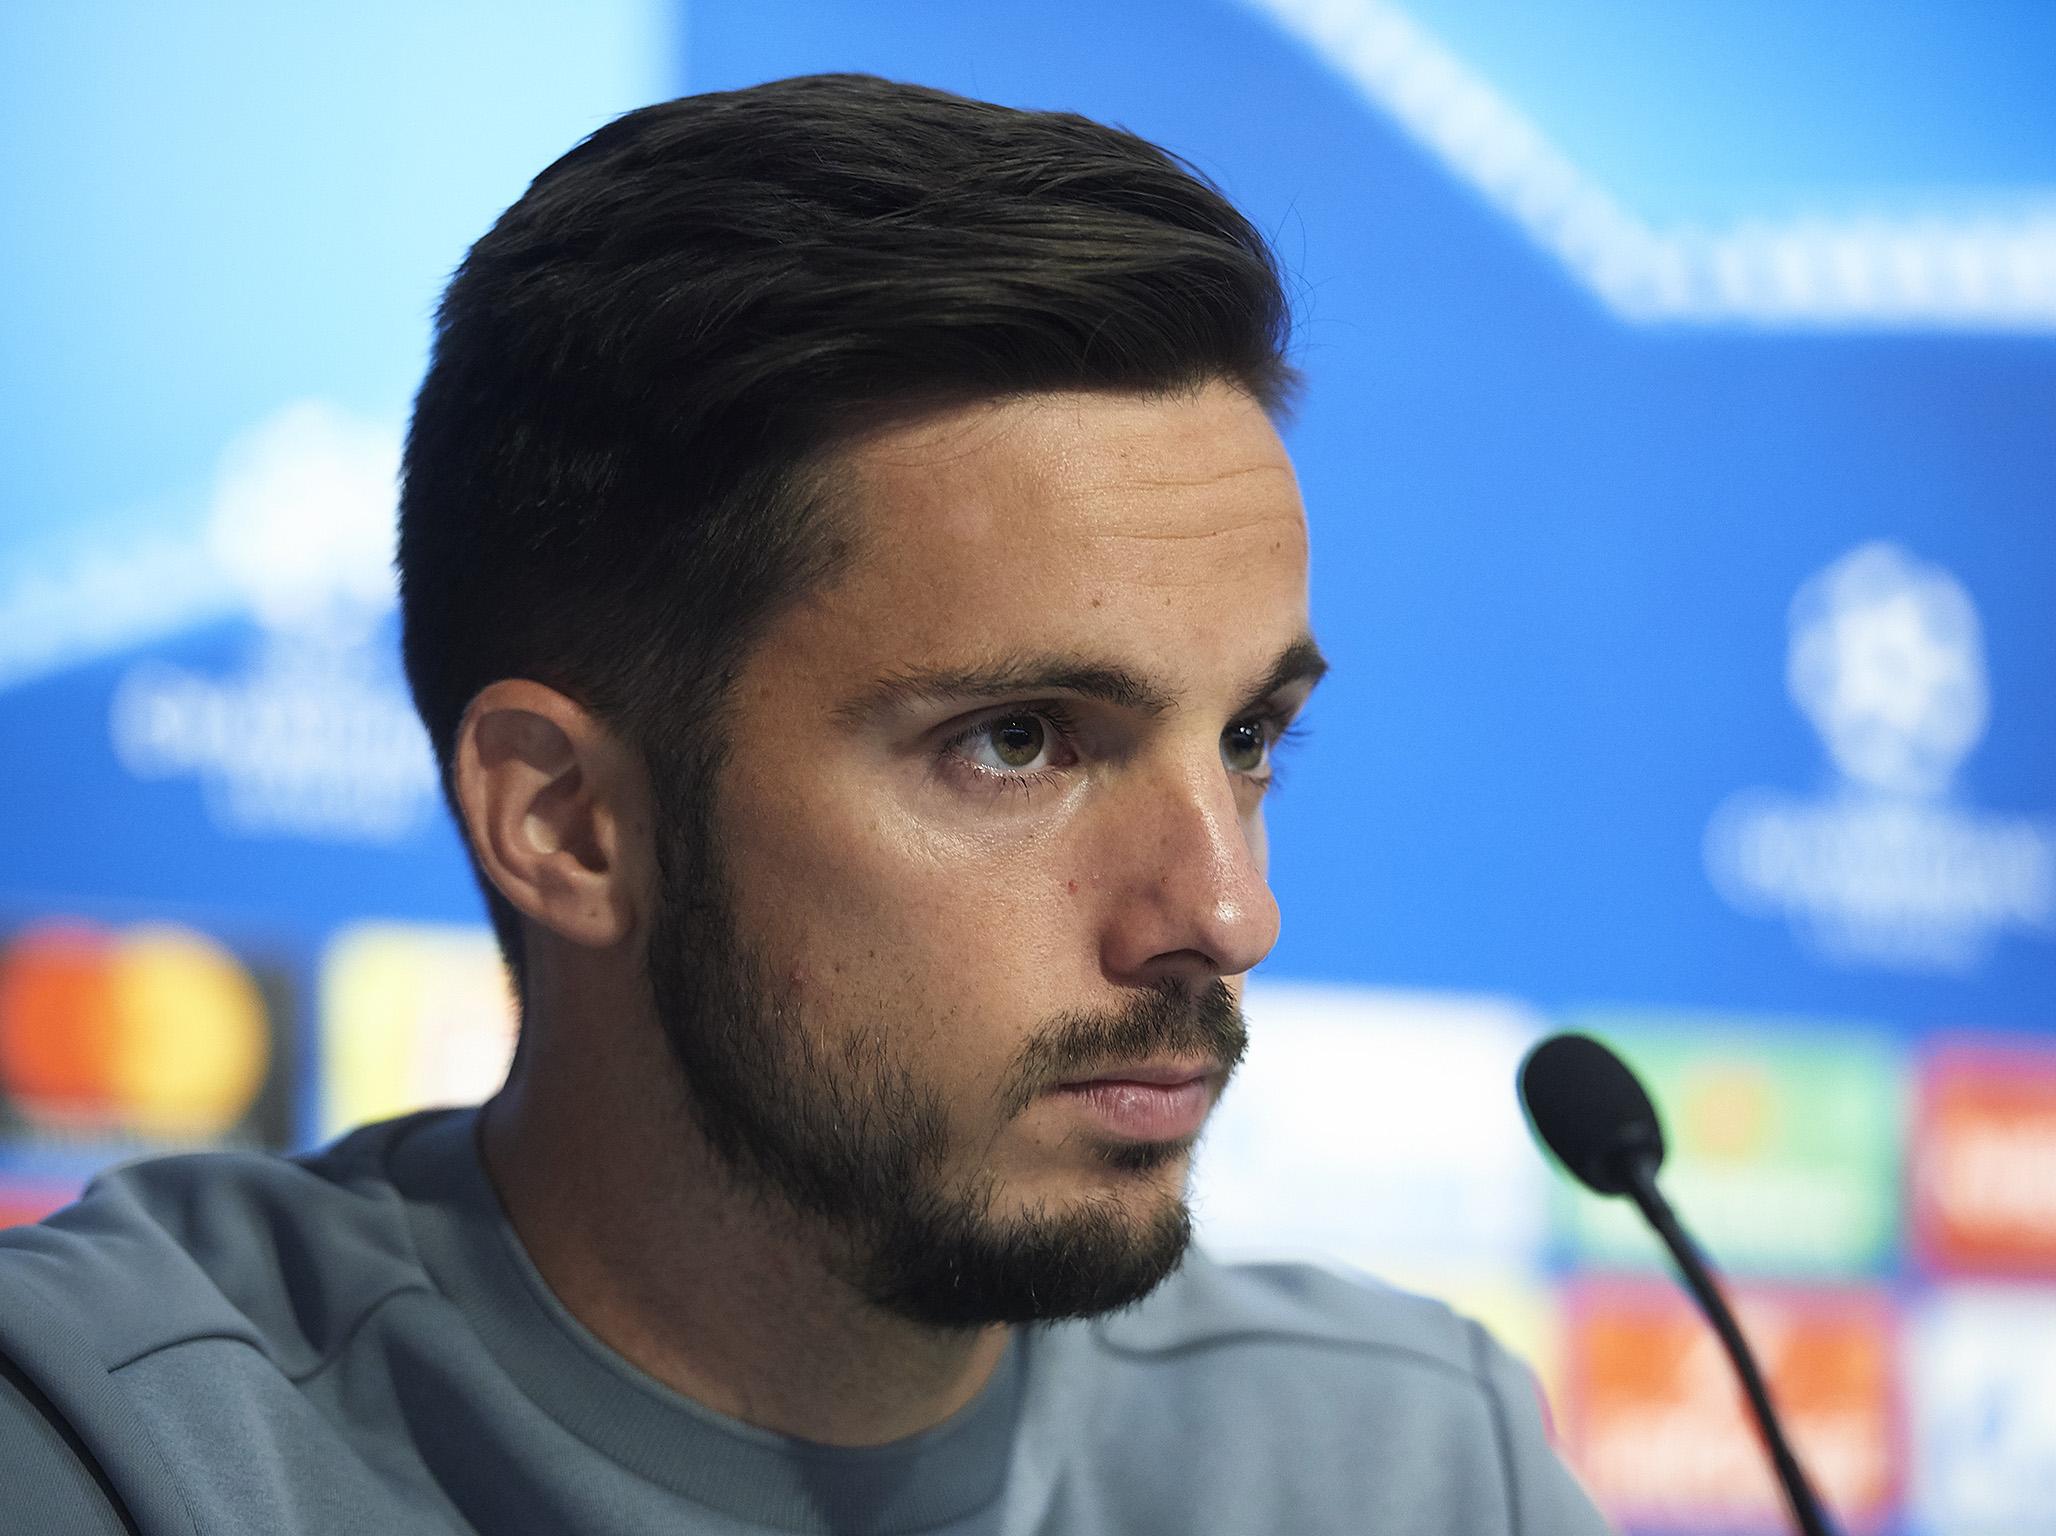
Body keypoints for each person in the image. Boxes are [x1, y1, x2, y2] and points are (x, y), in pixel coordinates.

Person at [0, 74, 1609, 1534]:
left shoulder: (1409, 1467)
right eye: (1020, 743)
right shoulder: (114, 1452)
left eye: (1251, 736)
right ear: (565, 822)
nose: (1225, 911)